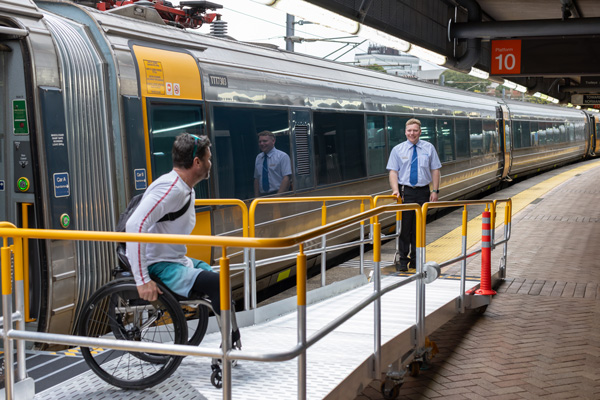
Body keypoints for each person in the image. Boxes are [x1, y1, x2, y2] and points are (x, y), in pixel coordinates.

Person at [126, 133, 222, 314]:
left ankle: (232, 337)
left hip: (173, 261)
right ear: (197, 162)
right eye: (208, 159)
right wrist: (143, 280)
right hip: (159, 265)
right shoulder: (171, 189)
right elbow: (134, 225)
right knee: (217, 284)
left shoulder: (185, 188)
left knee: (219, 277)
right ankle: (230, 340)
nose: (210, 164)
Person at [387, 118, 442, 272]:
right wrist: (395, 189)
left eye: (415, 130)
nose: (412, 133)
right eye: (409, 131)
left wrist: (435, 190)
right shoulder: (397, 150)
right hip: (406, 192)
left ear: (420, 132)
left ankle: (416, 260)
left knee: (419, 228)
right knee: (405, 228)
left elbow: (435, 170)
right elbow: (393, 171)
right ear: (405, 132)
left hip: (423, 191)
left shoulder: (429, 148)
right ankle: (403, 260)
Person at [254, 130, 292, 197]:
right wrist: (256, 198)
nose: (262, 144)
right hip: (262, 197)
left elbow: (286, 178)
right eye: (260, 142)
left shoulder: (282, 156)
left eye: (265, 141)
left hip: (278, 194)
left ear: (273, 141)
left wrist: (277, 197)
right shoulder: (258, 157)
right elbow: (257, 179)